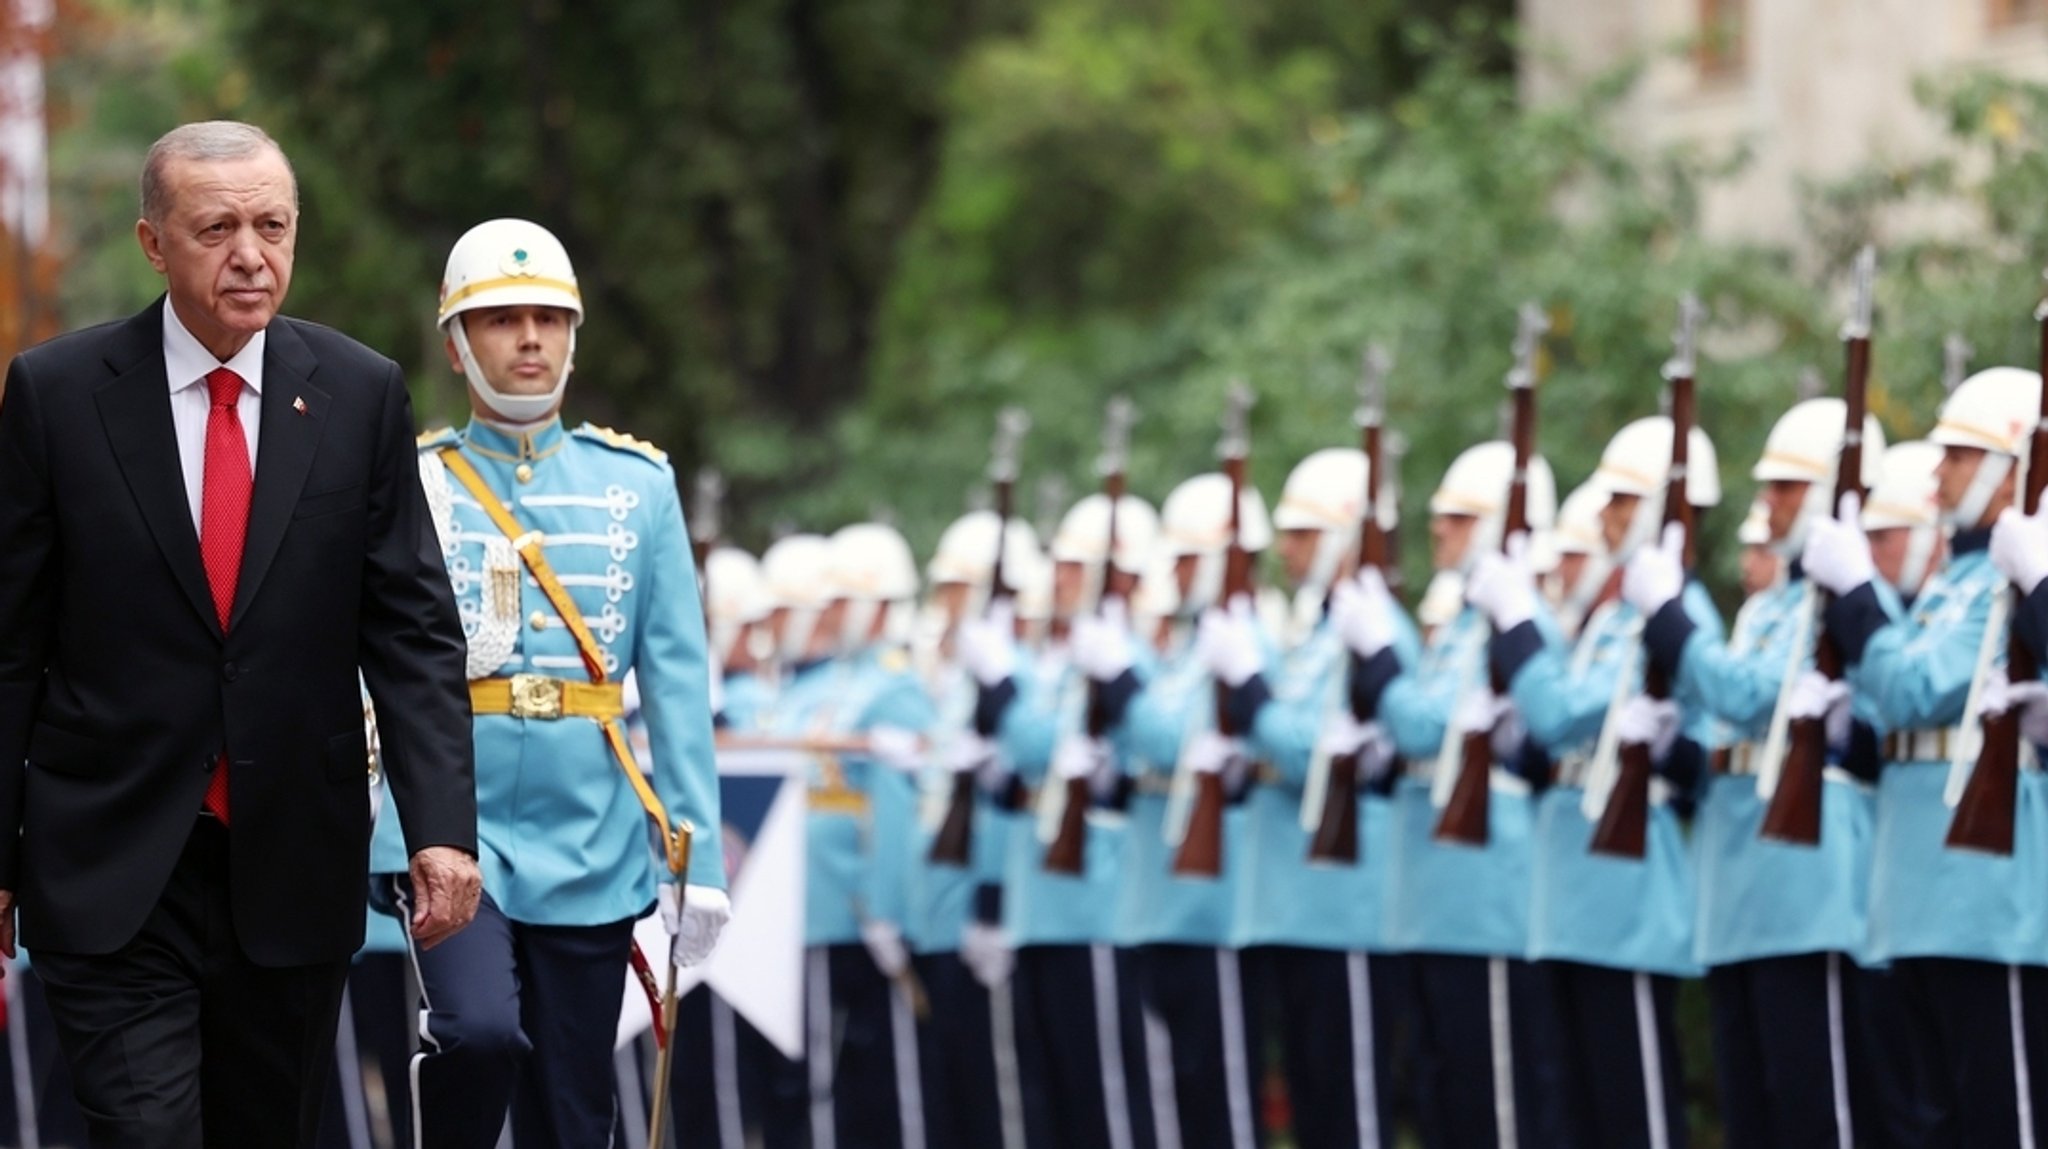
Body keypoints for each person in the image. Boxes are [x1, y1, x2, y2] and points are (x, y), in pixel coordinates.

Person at [0, 119, 480, 1148]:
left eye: (273, 225)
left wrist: (438, 825)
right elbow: (9, 647)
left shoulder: (358, 395)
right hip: (112, 861)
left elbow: (410, 630)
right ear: (152, 242)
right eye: (217, 228)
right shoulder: (57, 397)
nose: (251, 255)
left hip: (291, 865)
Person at [367, 217, 728, 1148]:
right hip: (456, 828)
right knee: (480, 1035)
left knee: (575, 1108)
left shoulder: (638, 484)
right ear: (456, 342)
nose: (530, 338)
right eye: (501, 319)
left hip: (592, 836)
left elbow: (679, 681)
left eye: (549, 318)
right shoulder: (415, 481)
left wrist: (703, 860)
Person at [1622, 395, 1886, 1147]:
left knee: (1815, 1108)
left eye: (1786, 486)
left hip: (1806, 884)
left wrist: (1671, 620)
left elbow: (1750, 692)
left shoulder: (1845, 601)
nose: (1766, 501)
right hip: (1740, 874)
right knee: (1755, 1109)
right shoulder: (1772, 606)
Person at [1805, 366, 2048, 1145]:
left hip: (1984, 901)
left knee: (1998, 1123)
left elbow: (1910, 685)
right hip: (1912, 892)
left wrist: (1854, 597)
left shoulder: (2010, 579)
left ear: (2013, 467)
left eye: (1961, 454)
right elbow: (1896, 714)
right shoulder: (1956, 583)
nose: (1936, 472)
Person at [1491, 416, 1723, 1149]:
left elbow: (1562, 711)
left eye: (1624, 499)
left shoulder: (1679, 615)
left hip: (1626, 896)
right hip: (1570, 889)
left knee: (1635, 1113)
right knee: (1574, 1117)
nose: (1606, 514)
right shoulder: (1607, 621)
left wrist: (1515, 625)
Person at [1336, 438, 1568, 1149]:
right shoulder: (1462, 628)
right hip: (1431, 896)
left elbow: (1420, 725)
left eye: (1461, 516)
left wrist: (1379, 653)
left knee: (1492, 1107)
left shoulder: (1518, 627)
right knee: (1442, 1104)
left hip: (1481, 898)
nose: (1439, 527)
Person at [1199, 446, 1420, 1148]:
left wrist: (1252, 689)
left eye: (1304, 534)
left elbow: (1307, 755)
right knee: (1312, 1108)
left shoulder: (1377, 637)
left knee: (1349, 1114)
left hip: (1342, 905)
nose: (1287, 550)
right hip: (1291, 901)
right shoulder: (1313, 636)